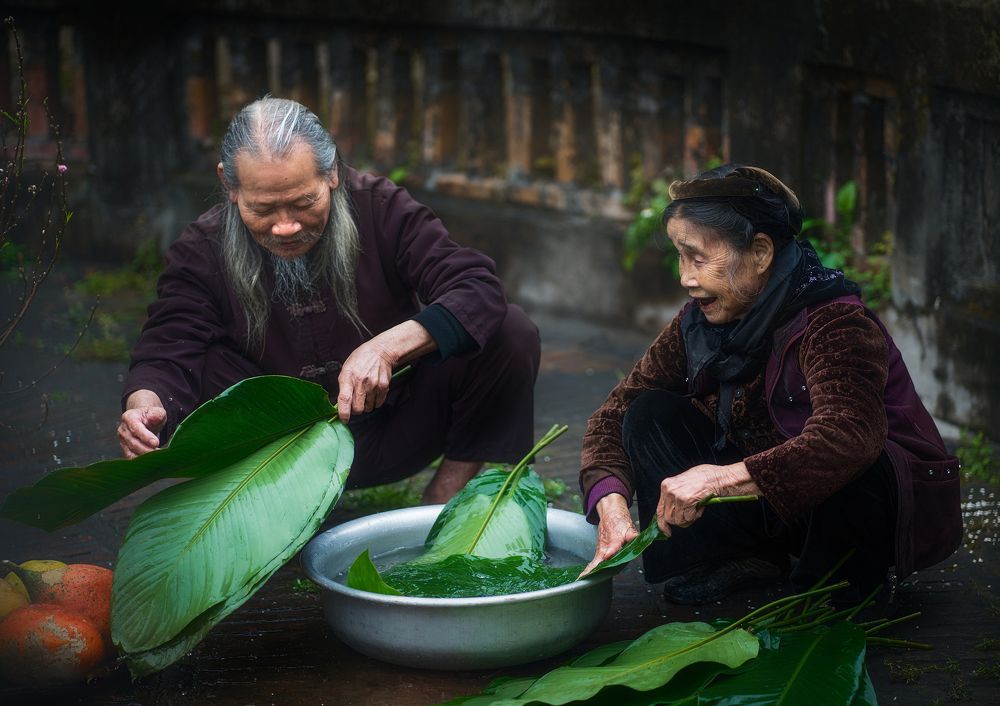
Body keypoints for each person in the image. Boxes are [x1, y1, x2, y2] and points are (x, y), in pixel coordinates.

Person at [117, 95, 540, 504]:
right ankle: (264, 512)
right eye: (263, 209)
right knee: (193, 372)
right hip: (277, 450)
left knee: (507, 330)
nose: (285, 226)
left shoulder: (382, 208)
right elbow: (167, 347)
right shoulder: (202, 247)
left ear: (332, 173)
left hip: (395, 425)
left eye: (304, 203)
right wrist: (145, 406)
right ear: (229, 185)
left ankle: (442, 499)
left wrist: (387, 349)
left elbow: (477, 288)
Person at [578, 164, 961, 605]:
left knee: (858, 458)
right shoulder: (696, 323)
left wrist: (718, 480)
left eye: (698, 258)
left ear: (760, 253)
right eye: (680, 257)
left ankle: (840, 585)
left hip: (861, 511)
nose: (686, 277)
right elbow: (615, 413)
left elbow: (850, 436)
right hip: (778, 503)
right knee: (649, 413)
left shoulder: (835, 323)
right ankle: (742, 558)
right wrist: (611, 505)